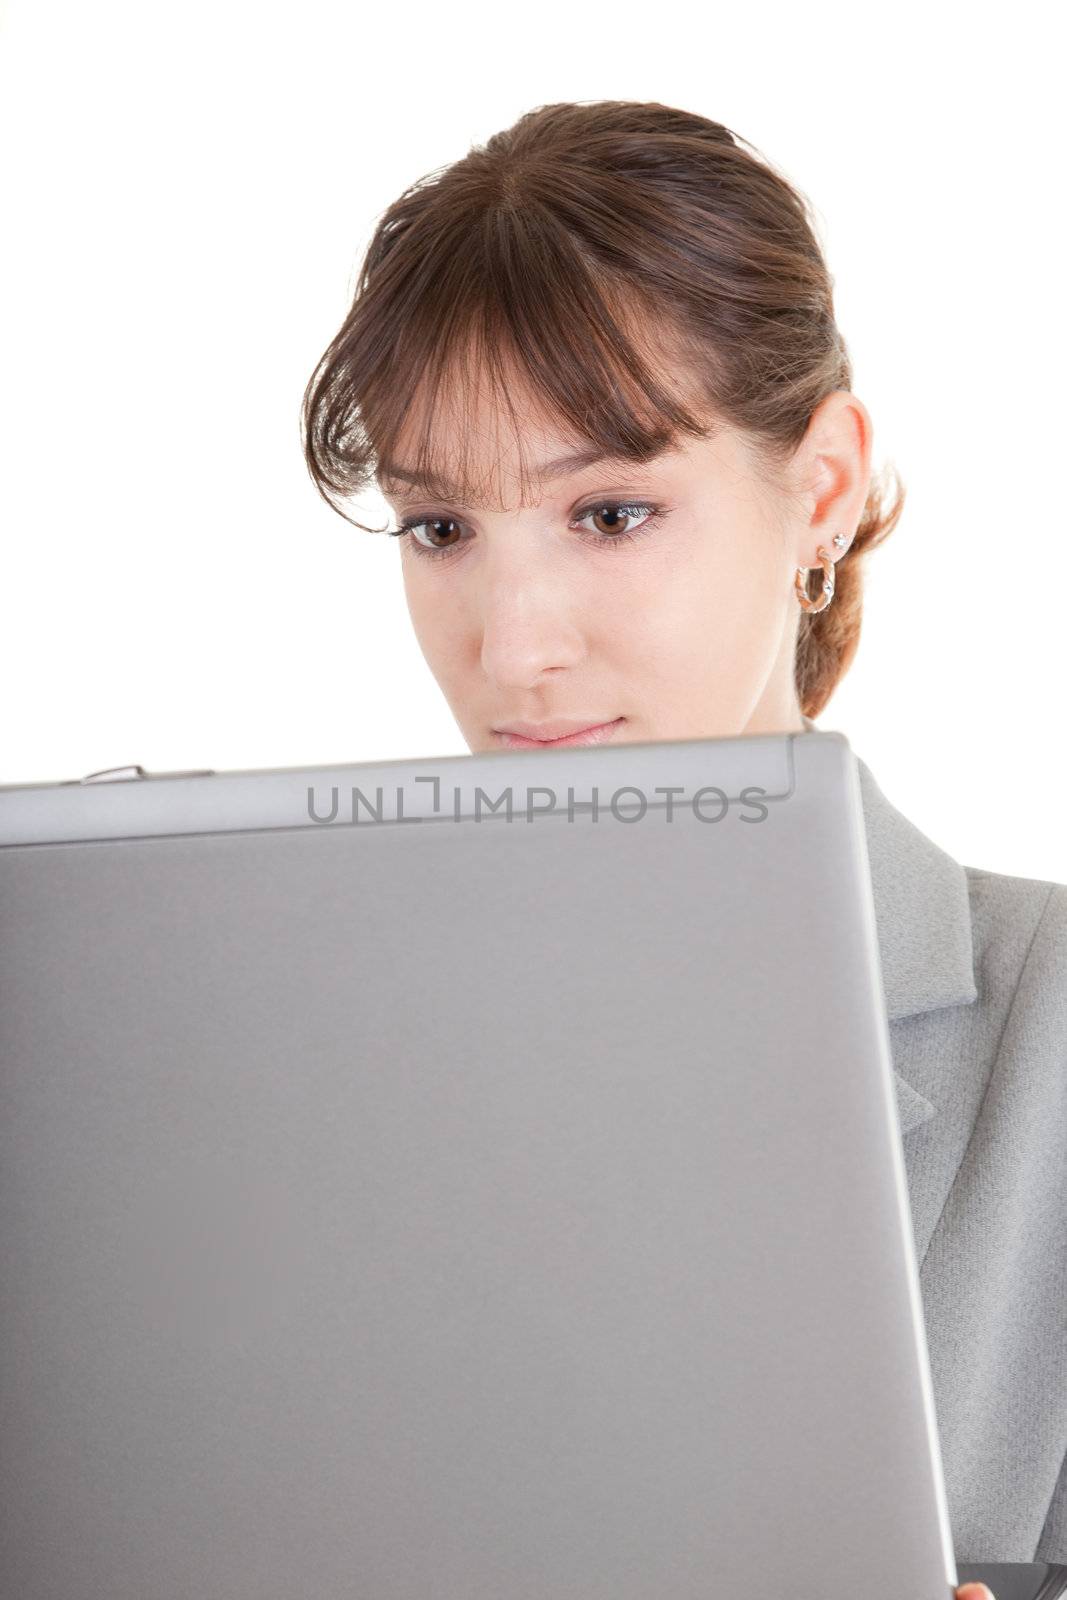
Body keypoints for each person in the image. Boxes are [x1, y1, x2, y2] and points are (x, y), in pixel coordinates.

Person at [300, 99, 1067, 1584]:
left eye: (609, 512)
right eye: (441, 529)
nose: (513, 650)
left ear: (822, 493)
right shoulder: (278, 1051)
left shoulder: (1054, 1032)